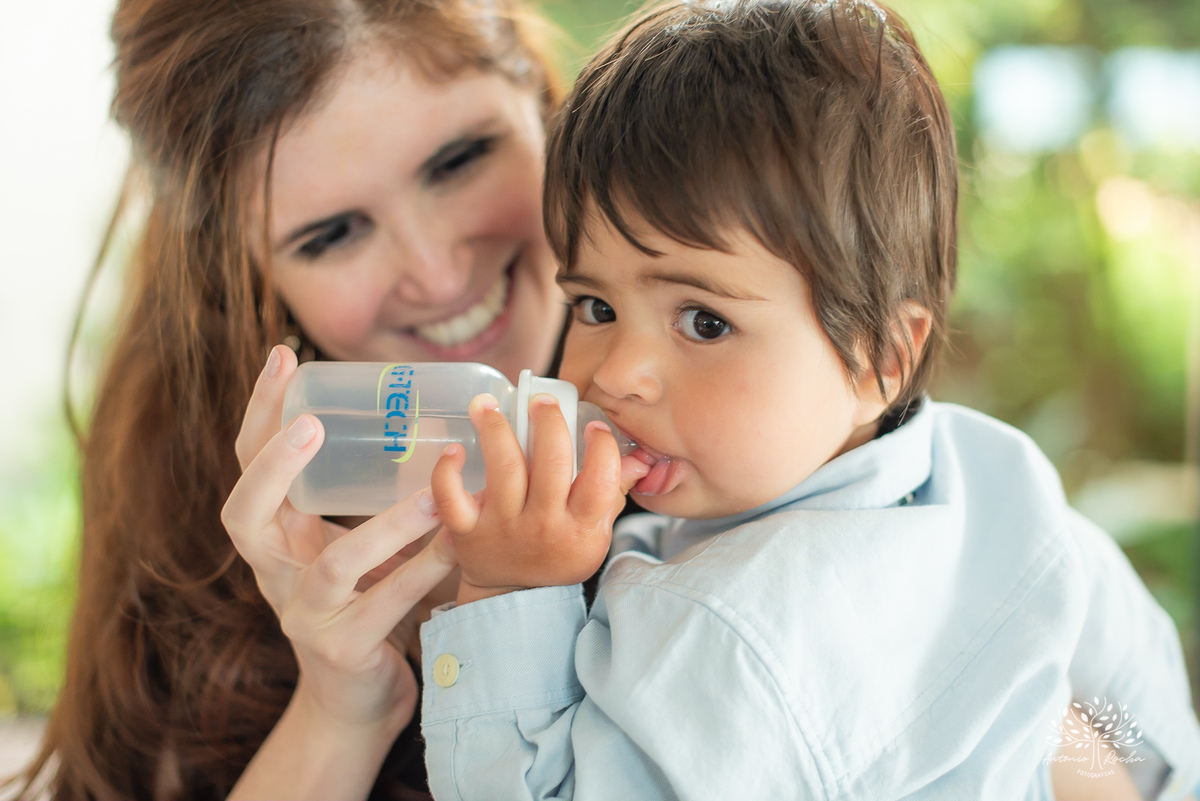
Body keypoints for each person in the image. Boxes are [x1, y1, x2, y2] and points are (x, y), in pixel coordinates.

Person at [421, 0, 1200, 797]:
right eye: (596, 307)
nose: (618, 373)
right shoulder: (1002, 480)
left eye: (704, 320)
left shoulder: (718, 636)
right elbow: (1141, 723)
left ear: (880, 357)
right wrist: (1064, 750)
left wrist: (511, 590)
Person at [11, 0, 565, 798]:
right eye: (333, 234)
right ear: (246, 279)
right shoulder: (197, 546)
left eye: (459, 160)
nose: (440, 275)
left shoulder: (759, 421)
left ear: (543, 105)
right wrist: (343, 710)